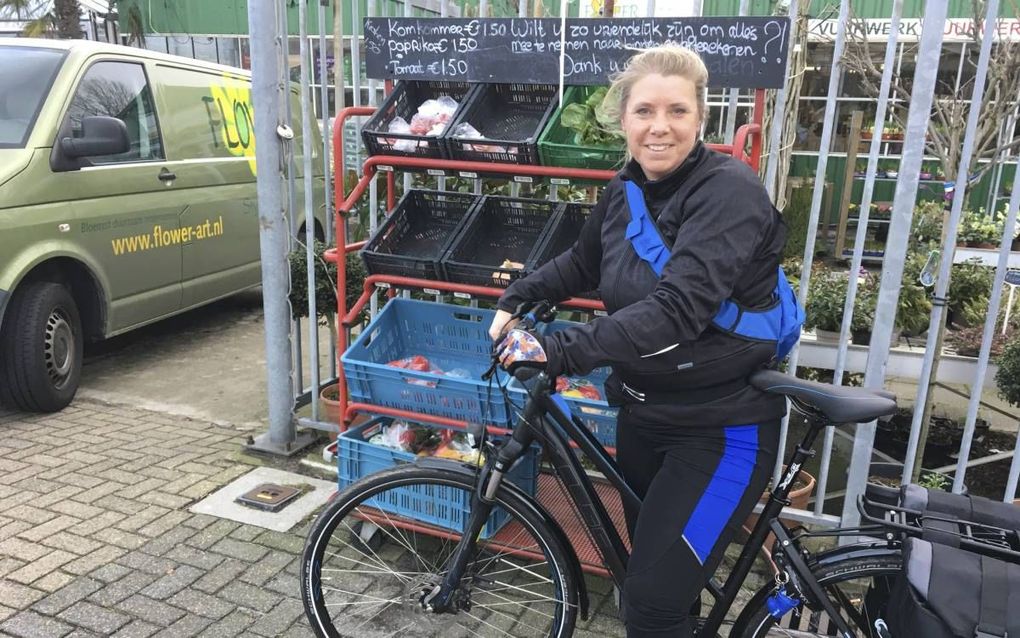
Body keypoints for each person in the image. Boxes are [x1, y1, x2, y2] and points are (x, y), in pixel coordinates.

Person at [489, 46, 791, 638]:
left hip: (718, 433)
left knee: (649, 605)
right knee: (661, 591)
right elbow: (583, 263)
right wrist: (515, 299)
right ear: (623, 120)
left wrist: (559, 348)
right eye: (644, 111)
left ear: (700, 117)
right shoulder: (625, 187)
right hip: (643, 416)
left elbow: (677, 311)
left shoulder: (727, 191)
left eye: (676, 111)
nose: (659, 126)